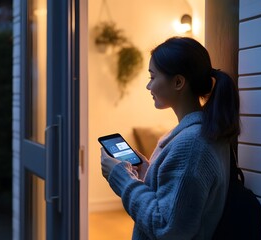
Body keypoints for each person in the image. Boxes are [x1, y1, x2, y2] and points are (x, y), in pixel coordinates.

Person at [100, 36, 240, 240]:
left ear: (178, 82)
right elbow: (178, 198)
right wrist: (148, 171)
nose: (149, 87)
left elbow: (167, 227)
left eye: (152, 77)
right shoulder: (199, 133)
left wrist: (122, 180)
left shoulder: (192, 144)